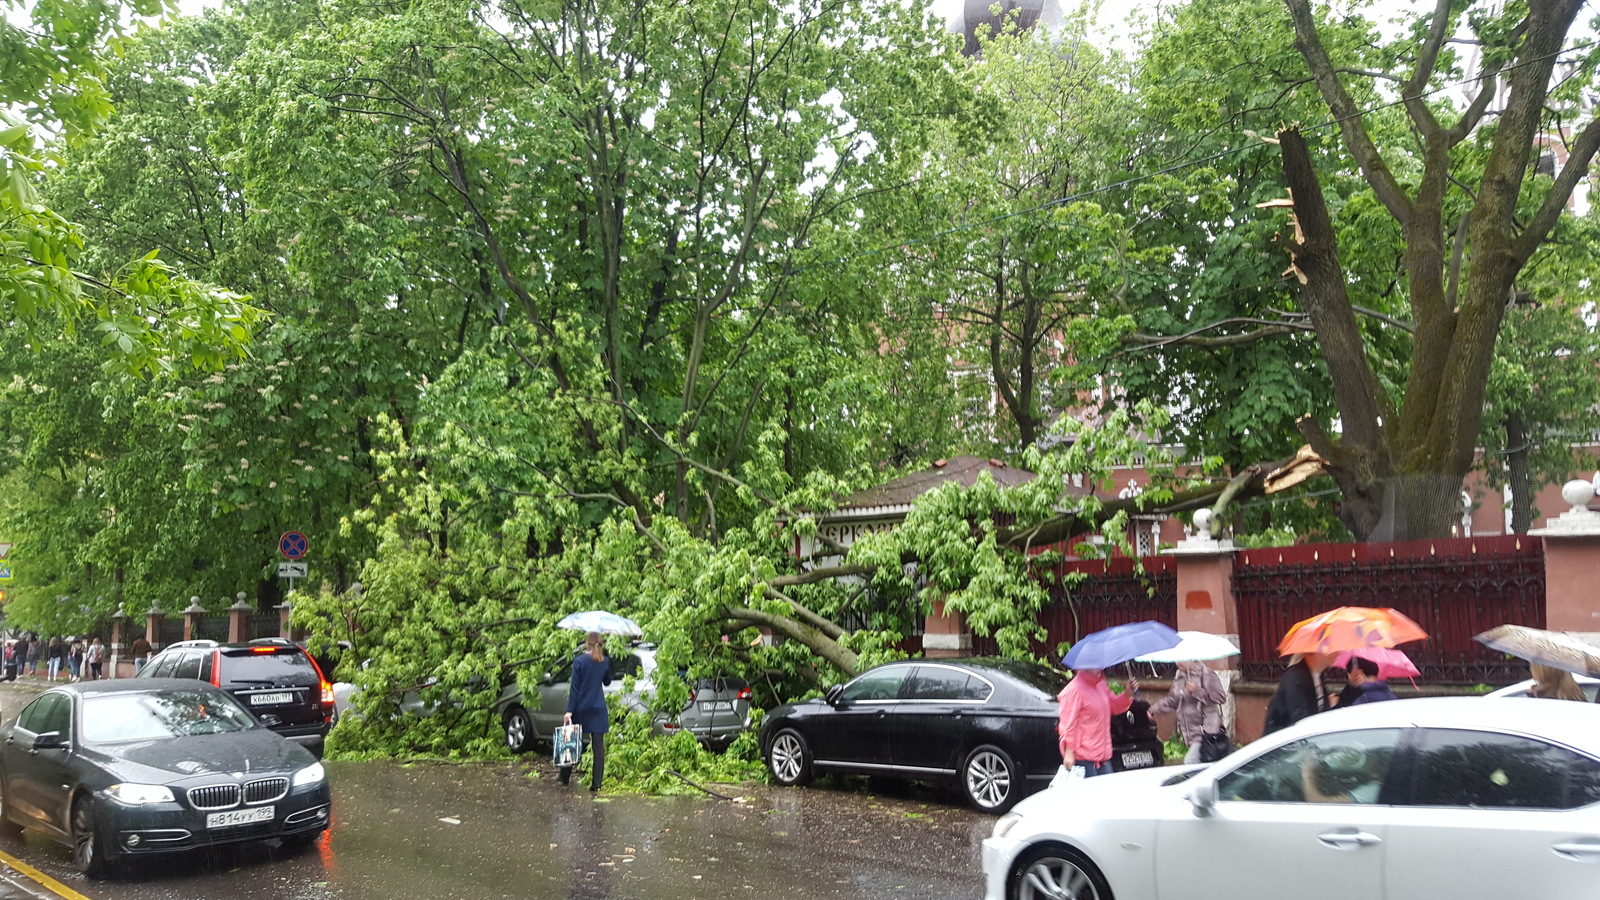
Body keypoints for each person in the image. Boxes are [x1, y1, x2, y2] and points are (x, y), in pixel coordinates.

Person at [1057, 667, 1140, 777]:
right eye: (1095, 664)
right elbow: (1068, 724)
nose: (1100, 667)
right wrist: (1069, 752)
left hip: (1102, 758)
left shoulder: (1100, 685)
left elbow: (1114, 706)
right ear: (1085, 666)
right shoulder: (1073, 690)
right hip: (1082, 759)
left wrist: (1127, 694)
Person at [1148, 660, 1228, 764]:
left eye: (1181, 659)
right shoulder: (1180, 676)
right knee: (1203, 763)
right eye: (1176, 659)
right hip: (1189, 732)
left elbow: (1220, 697)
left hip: (1206, 731)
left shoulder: (1206, 674)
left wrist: (1196, 690)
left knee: (1191, 761)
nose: (1177, 663)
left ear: (1191, 659)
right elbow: (1172, 700)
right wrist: (1153, 710)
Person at [561, 631, 613, 792]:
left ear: (586, 643)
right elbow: (607, 682)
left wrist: (569, 711)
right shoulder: (605, 661)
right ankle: (596, 784)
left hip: (581, 707)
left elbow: (574, 688)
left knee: (570, 740)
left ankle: (564, 776)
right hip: (598, 708)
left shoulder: (579, 661)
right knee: (598, 746)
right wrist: (607, 661)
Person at [1262, 651, 1335, 735]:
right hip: (1283, 742)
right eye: (1329, 648)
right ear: (1312, 652)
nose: (1337, 653)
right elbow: (1300, 720)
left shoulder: (1317, 676)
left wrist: (1351, 685)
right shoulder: (1296, 678)